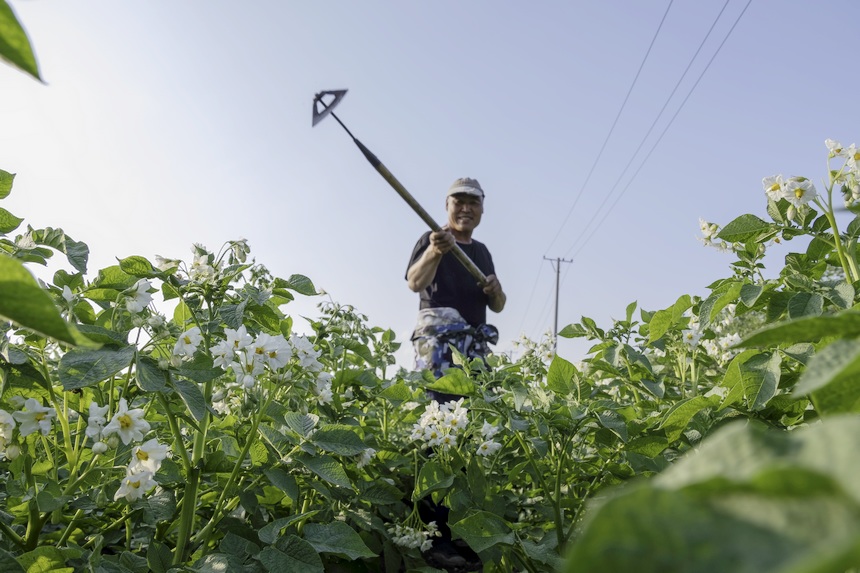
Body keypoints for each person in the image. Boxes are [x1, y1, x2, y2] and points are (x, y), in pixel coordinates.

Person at [406, 177, 506, 382]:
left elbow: (498, 306)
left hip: (474, 351)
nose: (466, 208)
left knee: (474, 410)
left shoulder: (482, 252)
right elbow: (414, 283)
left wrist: (497, 291)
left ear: (482, 208)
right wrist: (435, 251)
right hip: (437, 347)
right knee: (436, 407)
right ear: (447, 205)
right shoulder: (432, 238)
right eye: (459, 202)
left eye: (473, 203)